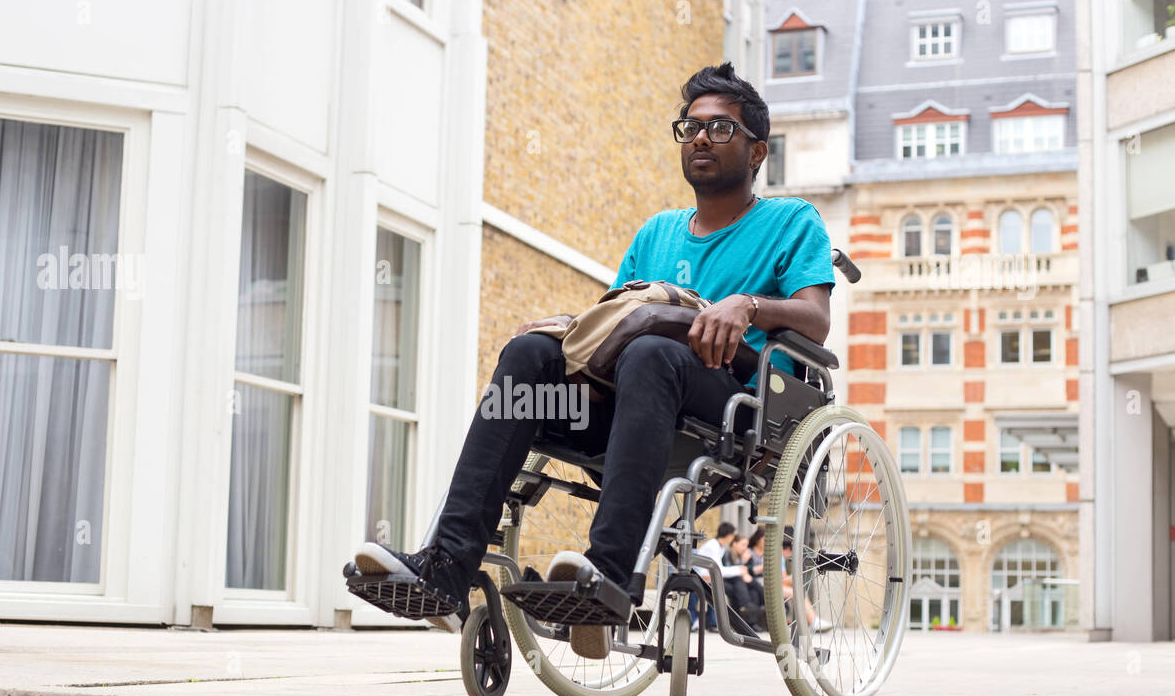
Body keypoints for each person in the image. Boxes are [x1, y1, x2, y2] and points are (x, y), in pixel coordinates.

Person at [349, 62, 836, 660]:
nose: (701, 138)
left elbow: (815, 318)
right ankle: (448, 566)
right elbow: (612, 325)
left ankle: (608, 575)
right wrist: (561, 333)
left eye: (720, 128)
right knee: (530, 354)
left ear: (757, 150)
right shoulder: (656, 233)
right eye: (690, 128)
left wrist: (750, 306)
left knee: (656, 353)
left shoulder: (791, 221)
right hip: (631, 398)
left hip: (732, 403)